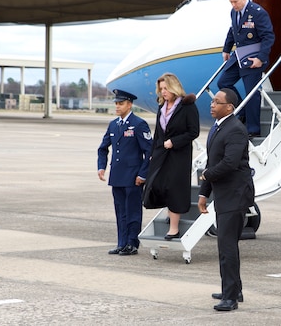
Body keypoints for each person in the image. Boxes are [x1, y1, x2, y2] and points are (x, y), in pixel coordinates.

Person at [198, 88, 255, 312]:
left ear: (229, 107)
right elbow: (211, 162)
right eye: (212, 101)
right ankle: (233, 289)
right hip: (223, 195)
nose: (212, 105)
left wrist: (207, 176)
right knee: (226, 245)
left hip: (235, 195)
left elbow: (229, 163)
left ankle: (230, 298)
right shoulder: (217, 128)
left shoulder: (236, 130)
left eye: (217, 102)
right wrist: (204, 193)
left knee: (227, 246)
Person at [142, 73, 200, 240]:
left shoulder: (187, 106)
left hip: (178, 155)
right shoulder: (162, 107)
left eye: (166, 89)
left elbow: (193, 131)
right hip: (161, 153)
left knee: (174, 188)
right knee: (159, 184)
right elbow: (158, 133)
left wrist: (174, 142)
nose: (163, 92)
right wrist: (153, 153)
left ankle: (174, 228)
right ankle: (171, 214)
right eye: (161, 89)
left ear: (174, 87)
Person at [97, 89, 153, 256]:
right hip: (117, 176)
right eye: (116, 103)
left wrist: (143, 174)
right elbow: (103, 148)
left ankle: (132, 243)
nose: (117, 106)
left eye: (120, 103)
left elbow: (149, 152)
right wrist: (101, 166)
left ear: (129, 105)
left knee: (132, 211)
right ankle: (121, 243)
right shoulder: (114, 124)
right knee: (120, 211)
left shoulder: (139, 124)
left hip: (133, 176)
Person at [218, 0, 275, 138]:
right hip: (239, 56)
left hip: (253, 59)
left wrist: (260, 58)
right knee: (223, 83)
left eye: (235, 1)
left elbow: (268, 37)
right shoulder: (234, 12)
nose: (233, 5)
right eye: (231, 2)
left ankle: (253, 129)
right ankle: (242, 110)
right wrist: (226, 49)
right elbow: (233, 30)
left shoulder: (257, 13)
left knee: (252, 94)